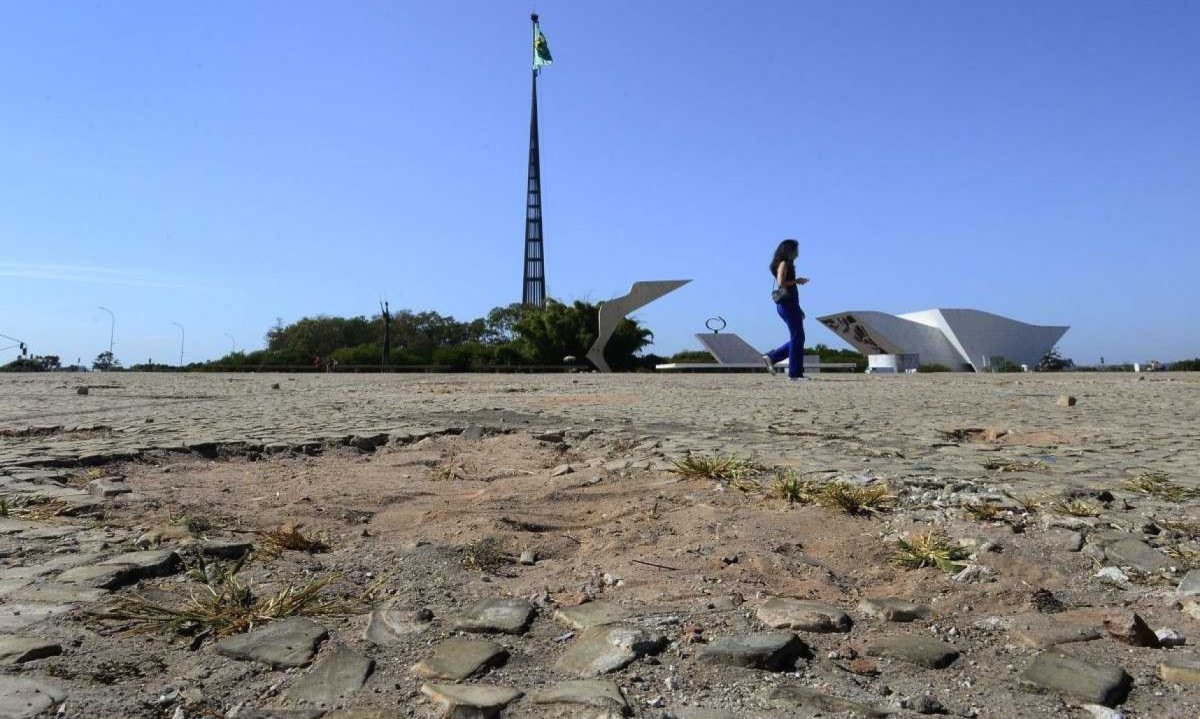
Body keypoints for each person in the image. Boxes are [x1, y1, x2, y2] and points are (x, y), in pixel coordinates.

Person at [763, 239, 810, 380]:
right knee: (798, 337)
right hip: (787, 305)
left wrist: (798, 308)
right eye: (796, 249)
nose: (798, 252)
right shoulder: (783, 263)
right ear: (788, 250)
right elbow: (781, 283)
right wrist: (797, 281)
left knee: (798, 338)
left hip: (791, 305)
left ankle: (772, 357)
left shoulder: (787, 264)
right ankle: (795, 373)